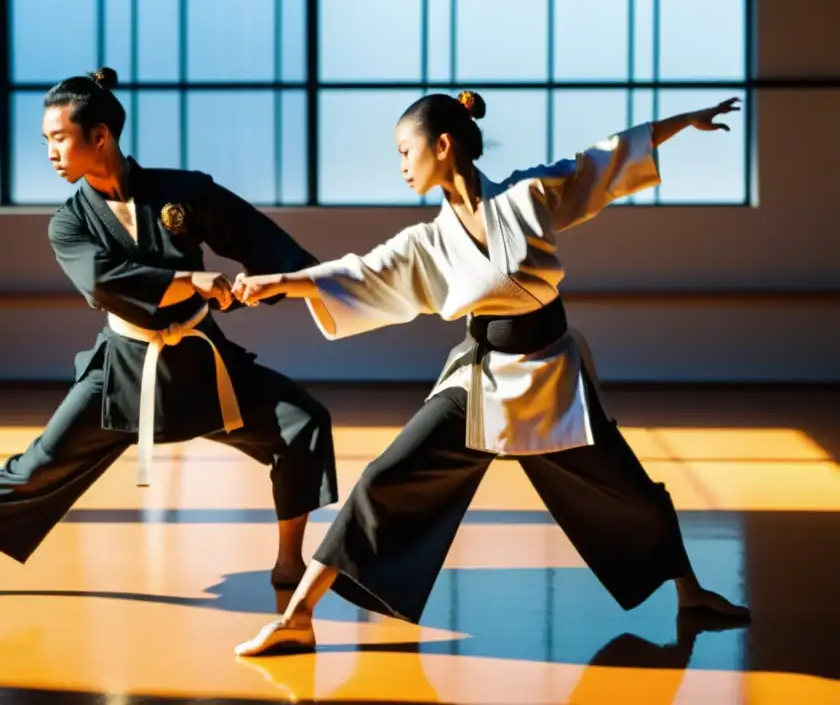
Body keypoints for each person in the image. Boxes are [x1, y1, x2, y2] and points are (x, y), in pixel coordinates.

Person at [231, 90, 751, 656]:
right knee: (384, 478)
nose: (401, 165)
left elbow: (605, 159)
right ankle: (299, 615)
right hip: (480, 381)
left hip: (552, 375)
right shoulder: (428, 241)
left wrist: (681, 122)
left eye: (407, 151)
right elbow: (361, 273)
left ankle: (690, 593)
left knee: (631, 489)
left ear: (444, 145)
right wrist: (282, 282)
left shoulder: (530, 194)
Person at [0, 67, 339, 608]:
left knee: (301, 422)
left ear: (100, 136)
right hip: (124, 373)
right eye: (45, 141)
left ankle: (287, 561)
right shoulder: (67, 223)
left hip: (203, 364)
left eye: (59, 138)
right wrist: (191, 281)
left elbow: (261, 240)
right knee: (34, 468)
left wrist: (281, 283)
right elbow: (103, 283)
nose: (50, 152)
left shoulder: (184, 192)